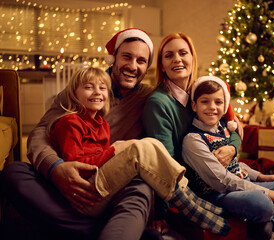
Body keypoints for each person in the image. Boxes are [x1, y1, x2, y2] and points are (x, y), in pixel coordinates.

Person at [2, 28, 165, 240]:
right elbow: (40, 133)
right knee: (14, 173)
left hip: (110, 185)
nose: (133, 66)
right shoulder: (80, 89)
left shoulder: (148, 98)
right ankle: (110, 230)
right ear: (113, 58)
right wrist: (55, 168)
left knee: (140, 189)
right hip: (66, 180)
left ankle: (82, 228)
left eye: (141, 61)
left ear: (147, 67)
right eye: (126, 56)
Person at [47, 66, 230, 235]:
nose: (97, 93)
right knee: (136, 149)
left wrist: (112, 150)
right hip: (86, 195)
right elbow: (76, 167)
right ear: (74, 93)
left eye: (102, 88)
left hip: (103, 188)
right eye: (88, 87)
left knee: (152, 143)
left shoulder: (101, 123)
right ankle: (186, 204)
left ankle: (187, 196)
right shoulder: (70, 122)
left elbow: (101, 158)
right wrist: (114, 151)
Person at [182, 76, 274, 239]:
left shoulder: (223, 128)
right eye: (205, 101)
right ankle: (270, 214)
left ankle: (271, 222)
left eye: (218, 102)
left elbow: (235, 164)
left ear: (225, 105)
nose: (212, 107)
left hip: (247, 184)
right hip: (222, 195)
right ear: (194, 105)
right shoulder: (193, 139)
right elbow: (221, 181)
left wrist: (262, 177)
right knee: (262, 203)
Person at [142, 32, 242, 234]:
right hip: (191, 188)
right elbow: (164, 163)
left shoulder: (201, 92)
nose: (177, 59)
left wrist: (232, 147)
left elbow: (233, 128)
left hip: (215, 173)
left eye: (183, 53)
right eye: (169, 55)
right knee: (258, 207)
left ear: (192, 58)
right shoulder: (158, 103)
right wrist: (159, 214)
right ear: (162, 65)